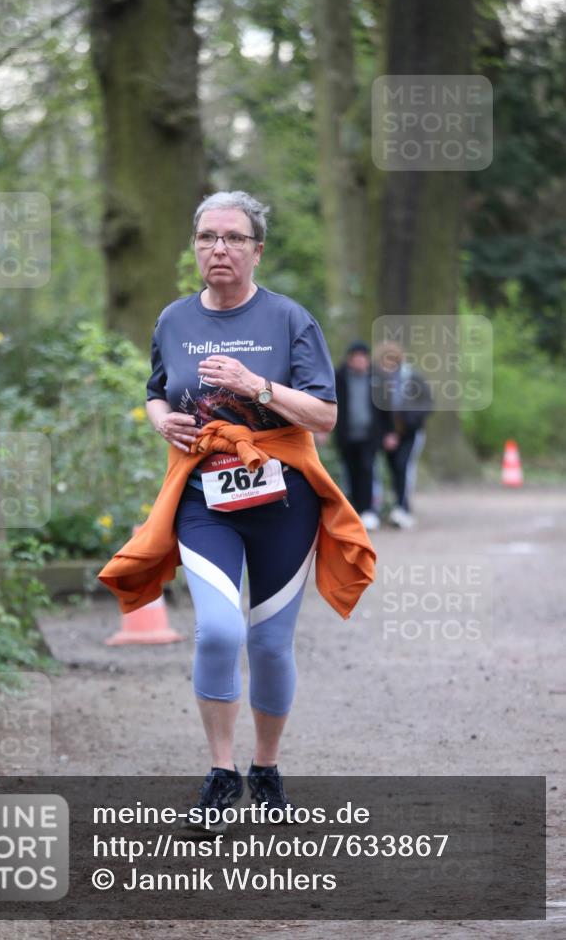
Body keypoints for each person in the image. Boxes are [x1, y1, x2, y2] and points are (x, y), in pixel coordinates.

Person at [99, 191, 376, 831]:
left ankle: (267, 768)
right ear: (195, 247)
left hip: (284, 500)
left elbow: (326, 417)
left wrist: (257, 387)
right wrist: (162, 420)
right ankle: (222, 774)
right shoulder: (173, 320)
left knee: (270, 644)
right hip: (206, 501)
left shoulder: (288, 320)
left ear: (256, 249)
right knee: (220, 632)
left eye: (232, 237)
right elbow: (154, 393)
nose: (217, 248)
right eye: (206, 237)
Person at [334, 341, 395, 531]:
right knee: (350, 471)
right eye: (356, 358)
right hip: (347, 434)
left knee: (368, 469)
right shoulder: (339, 378)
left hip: (371, 435)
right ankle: (354, 510)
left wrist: (389, 431)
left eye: (363, 358)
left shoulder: (378, 378)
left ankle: (369, 510)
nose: (360, 361)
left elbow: (386, 407)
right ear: (350, 359)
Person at [372, 341, 432, 528]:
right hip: (387, 434)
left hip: (410, 433)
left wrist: (409, 420)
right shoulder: (377, 380)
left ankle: (403, 508)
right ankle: (387, 507)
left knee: (403, 467)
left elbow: (427, 403)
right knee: (390, 469)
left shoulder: (413, 378)